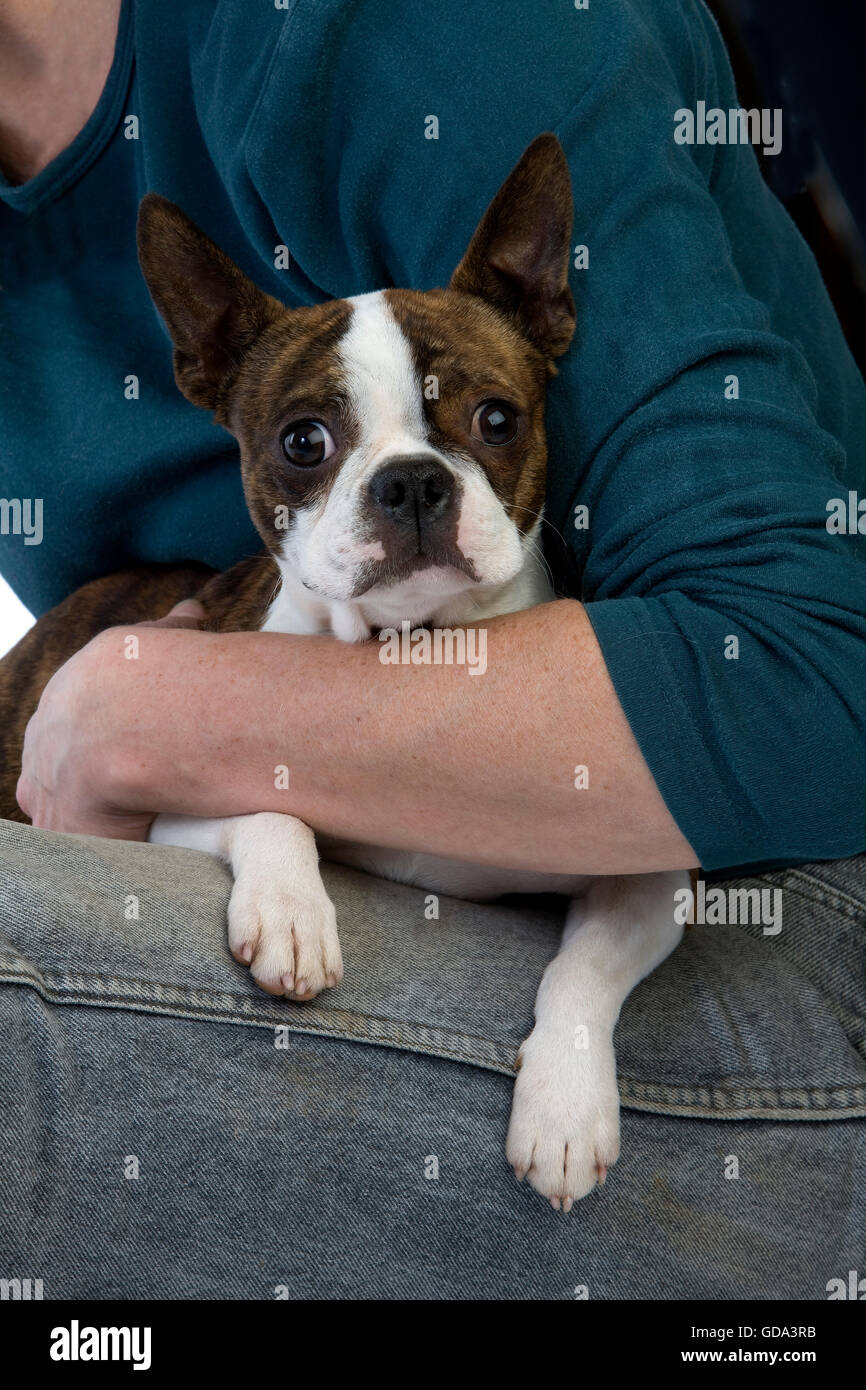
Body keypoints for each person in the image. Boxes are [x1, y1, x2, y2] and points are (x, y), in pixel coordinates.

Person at [0, 0, 863, 1299]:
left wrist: (160, 713)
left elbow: (806, 680)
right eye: (309, 445)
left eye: (487, 422)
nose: (397, 484)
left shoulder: (418, 32)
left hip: (769, 883)